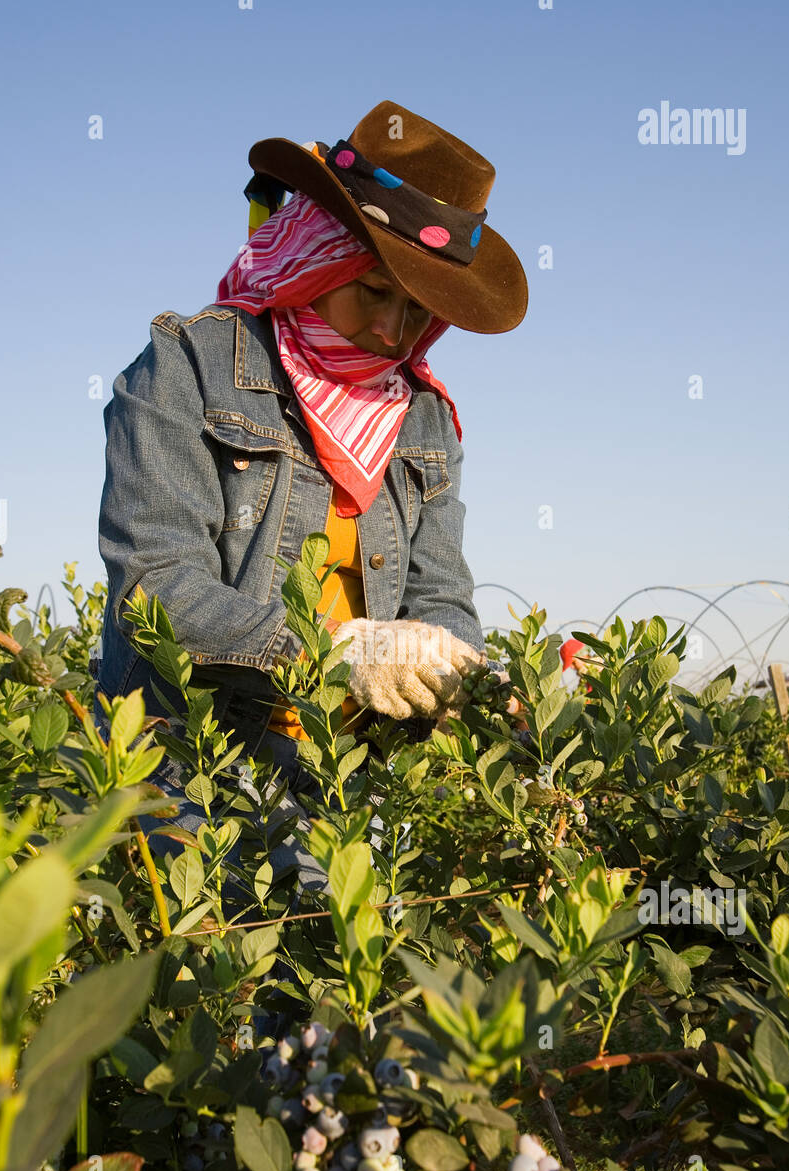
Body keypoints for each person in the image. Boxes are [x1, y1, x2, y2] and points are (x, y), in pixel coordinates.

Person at [94, 101, 529, 903]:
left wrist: (458, 667)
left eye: (420, 309)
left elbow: (440, 595)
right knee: (218, 1000)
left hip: (339, 775)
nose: (396, 331)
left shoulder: (422, 415)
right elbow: (153, 588)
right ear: (320, 262)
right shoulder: (188, 368)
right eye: (373, 292)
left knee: (333, 1005)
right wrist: (335, 651)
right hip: (191, 767)